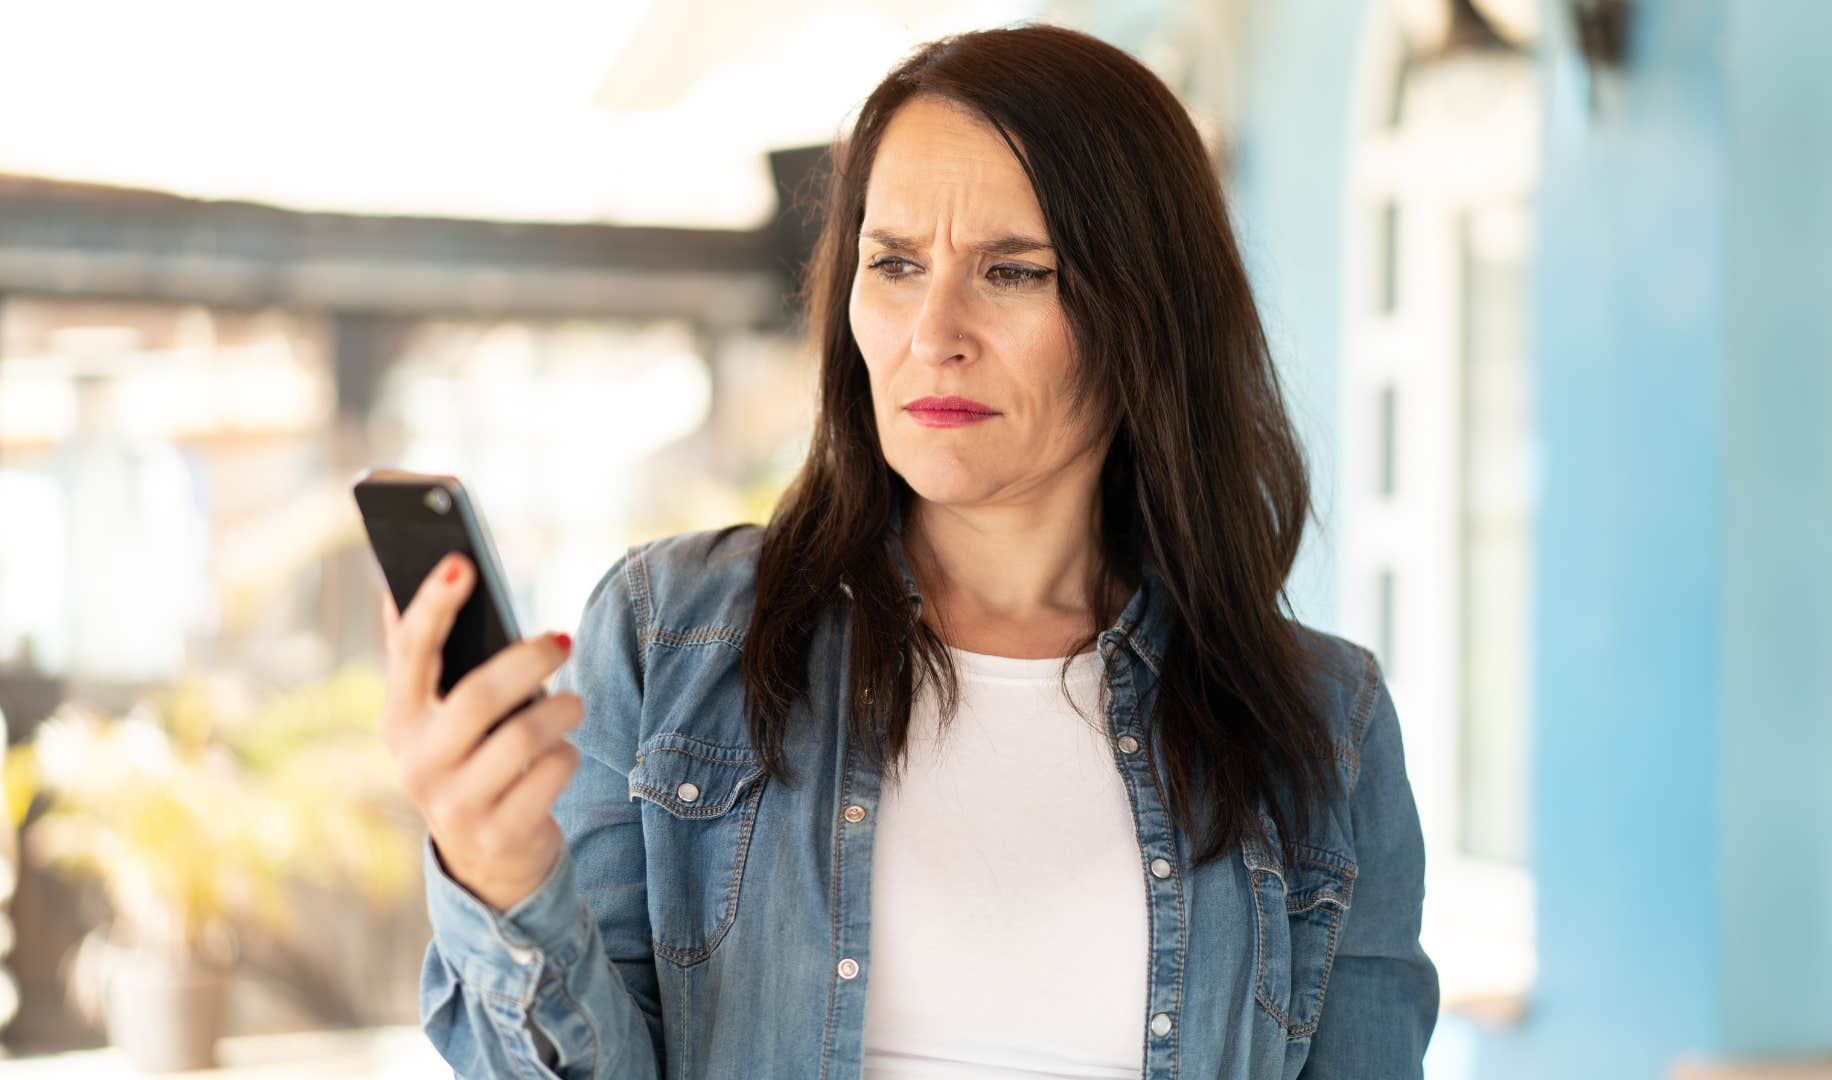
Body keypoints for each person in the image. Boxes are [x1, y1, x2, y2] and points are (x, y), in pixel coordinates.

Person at [378, 23, 1439, 1080]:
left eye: (1013, 271)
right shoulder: (671, 636)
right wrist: (499, 871)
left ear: (1149, 312)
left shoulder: (1322, 729)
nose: (934, 330)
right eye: (893, 263)